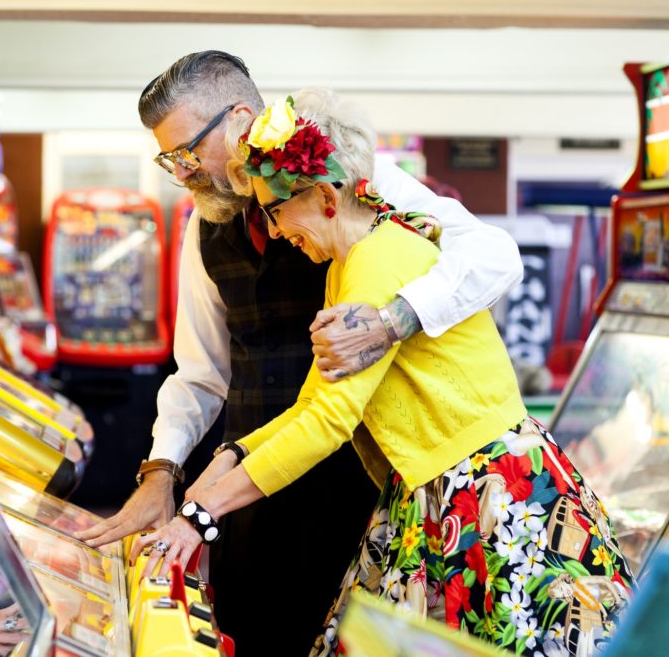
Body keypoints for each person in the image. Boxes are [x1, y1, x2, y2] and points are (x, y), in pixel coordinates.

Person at [131, 88, 633, 656]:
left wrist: (198, 516)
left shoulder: (377, 257)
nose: (272, 232)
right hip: (428, 487)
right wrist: (224, 462)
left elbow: (327, 422)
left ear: (325, 195)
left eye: (275, 211)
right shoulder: (342, 268)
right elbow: (310, 405)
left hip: (485, 490)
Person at [77, 51, 523, 656]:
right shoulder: (208, 227)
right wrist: (171, 472)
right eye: (169, 161)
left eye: (187, 154)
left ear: (239, 120)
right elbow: (203, 374)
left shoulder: (364, 198)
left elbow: (495, 255)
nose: (181, 175)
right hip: (258, 484)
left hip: (377, 483)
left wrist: (392, 320)